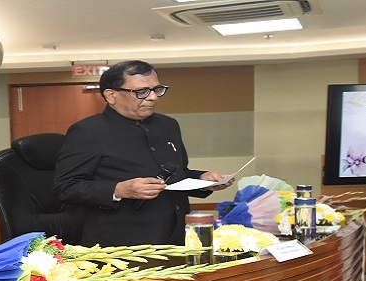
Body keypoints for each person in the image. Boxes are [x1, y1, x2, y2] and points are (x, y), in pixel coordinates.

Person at [52, 60, 232, 247]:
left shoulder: (168, 125)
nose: (153, 97)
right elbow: (65, 187)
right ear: (111, 95)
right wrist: (119, 190)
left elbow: (177, 174)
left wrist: (202, 180)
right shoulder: (88, 131)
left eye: (157, 89)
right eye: (142, 92)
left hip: (176, 238)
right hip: (122, 245)